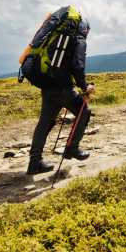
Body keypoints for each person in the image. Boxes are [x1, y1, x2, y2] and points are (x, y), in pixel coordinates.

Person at [27, 17, 94, 175]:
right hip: (63, 90)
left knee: (44, 123)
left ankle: (35, 162)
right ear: (85, 29)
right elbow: (78, 64)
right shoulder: (78, 40)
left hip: (47, 87)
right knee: (84, 111)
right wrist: (85, 86)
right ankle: (72, 148)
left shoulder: (58, 38)